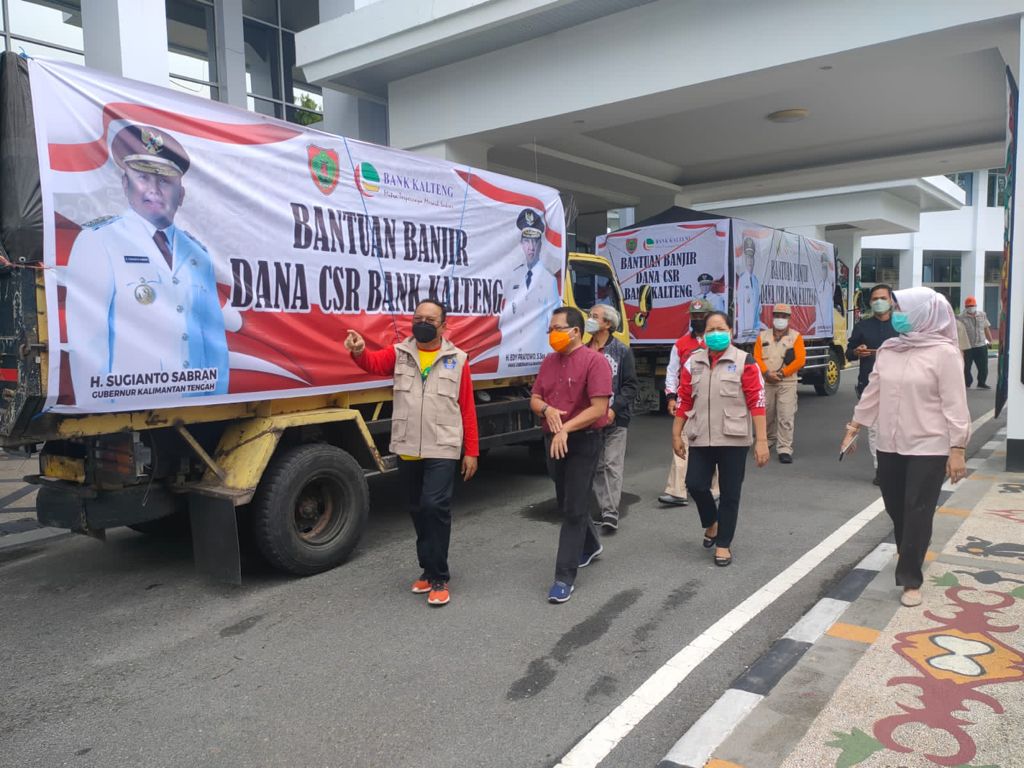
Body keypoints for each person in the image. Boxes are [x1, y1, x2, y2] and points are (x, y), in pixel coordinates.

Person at [66, 124, 228, 400]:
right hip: (130, 403)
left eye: (164, 181)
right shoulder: (99, 241)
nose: (153, 190)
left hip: (197, 401)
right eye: (142, 178)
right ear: (125, 185)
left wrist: (218, 400)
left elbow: (214, 340)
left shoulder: (198, 254)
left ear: (181, 194)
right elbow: (88, 341)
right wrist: (99, 413)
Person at [344, 299, 479, 607]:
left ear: (443, 326)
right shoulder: (400, 353)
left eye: (430, 319)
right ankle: (427, 570)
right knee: (417, 509)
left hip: (442, 446)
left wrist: (471, 451)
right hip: (408, 446)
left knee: (435, 506)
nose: (422, 323)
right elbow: (372, 363)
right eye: (417, 317)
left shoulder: (457, 359)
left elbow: (467, 409)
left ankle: (440, 577)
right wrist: (357, 350)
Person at [840, 287, 969, 608]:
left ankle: (910, 578)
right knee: (895, 506)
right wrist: (854, 427)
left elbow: (955, 403)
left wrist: (958, 448)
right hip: (890, 443)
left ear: (923, 313)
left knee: (917, 509)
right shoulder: (890, 349)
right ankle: (910, 545)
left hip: (929, 444)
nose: (895, 313)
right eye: (894, 307)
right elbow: (874, 392)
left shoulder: (945, 353)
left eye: (901, 308)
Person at [672, 311, 769, 567]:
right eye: (710, 329)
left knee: (730, 493)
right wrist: (676, 432)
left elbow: (757, 401)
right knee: (695, 485)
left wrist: (761, 441)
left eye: (720, 328)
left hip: (734, 439)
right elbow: (684, 398)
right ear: (703, 334)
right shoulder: (693, 362)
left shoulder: (745, 361)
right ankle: (711, 522)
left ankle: (723, 544)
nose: (715, 333)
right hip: (700, 435)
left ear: (730, 331)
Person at [531, 306, 612, 603]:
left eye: (557, 328)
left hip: (584, 440)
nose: (552, 334)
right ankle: (590, 544)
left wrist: (566, 428)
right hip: (553, 440)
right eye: (550, 329)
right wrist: (547, 410)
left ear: (576, 331)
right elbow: (536, 397)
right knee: (566, 500)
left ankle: (564, 577)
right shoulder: (549, 362)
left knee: (575, 507)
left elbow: (599, 408)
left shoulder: (595, 362)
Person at [659, 298, 717, 506]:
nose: (697, 320)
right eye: (694, 316)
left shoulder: (718, 341)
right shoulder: (681, 344)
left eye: (701, 316)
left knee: (714, 443)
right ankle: (677, 491)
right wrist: (671, 397)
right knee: (681, 441)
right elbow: (671, 371)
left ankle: (714, 488)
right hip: (687, 401)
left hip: (712, 401)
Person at [586, 304, 638, 531]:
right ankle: (603, 507)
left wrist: (614, 409)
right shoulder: (584, 350)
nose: (589, 319)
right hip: (590, 419)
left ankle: (610, 513)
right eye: (589, 316)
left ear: (607, 323)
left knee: (612, 465)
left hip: (616, 418)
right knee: (597, 466)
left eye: (594, 317)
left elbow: (630, 386)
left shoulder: (621, 350)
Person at [845, 284, 898, 484]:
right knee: (875, 429)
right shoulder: (862, 327)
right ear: (870, 302)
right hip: (870, 385)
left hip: (899, 386)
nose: (879, 302)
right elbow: (848, 352)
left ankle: (898, 466)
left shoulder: (901, 326)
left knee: (897, 428)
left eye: (883, 298)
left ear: (891, 300)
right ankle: (880, 469)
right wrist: (857, 351)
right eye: (875, 299)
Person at [501, 208, 561, 363]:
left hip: (536, 355)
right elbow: (505, 317)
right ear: (521, 244)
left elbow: (552, 323)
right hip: (512, 354)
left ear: (540, 244)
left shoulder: (549, 280)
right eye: (527, 241)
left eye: (535, 241)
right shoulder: (513, 276)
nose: (531, 247)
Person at [753, 303, 806, 464]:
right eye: (777, 315)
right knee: (766, 413)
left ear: (789, 318)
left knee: (786, 416)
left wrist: (783, 373)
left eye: (783, 316)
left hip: (787, 382)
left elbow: (800, 360)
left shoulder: (796, 337)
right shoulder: (762, 336)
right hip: (766, 381)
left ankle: (784, 448)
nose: (780, 319)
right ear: (772, 317)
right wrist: (766, 373)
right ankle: (767, 440)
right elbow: (756, 357)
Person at [961, 296, 993, 389]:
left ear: (976, 305)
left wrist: (990, 340)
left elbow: (986, 328)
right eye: (969, 306)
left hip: (981, 345)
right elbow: (959, 332)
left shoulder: (982, 315)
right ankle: (967, 383)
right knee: (966, 367)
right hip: (968, 346)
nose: (971, 307)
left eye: (973, 305)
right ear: (966, 307)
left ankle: (982, 382)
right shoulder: (961, 317)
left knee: (983, 366)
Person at [735, 237, 762, 337]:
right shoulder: (741, 280)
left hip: (755, 331)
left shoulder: (755, 280)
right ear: (744, 260)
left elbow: (757, 307)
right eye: (747, 258)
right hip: (745, 331)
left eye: (751, 258)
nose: (749, 261)